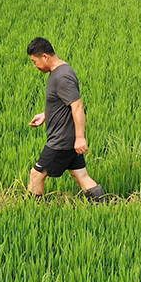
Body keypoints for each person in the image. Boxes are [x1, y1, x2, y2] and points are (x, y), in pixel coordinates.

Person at [26, 37, 107, 203]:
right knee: (80, 175)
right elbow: (64, 104)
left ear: (45, 57)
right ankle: (105, 207)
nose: (34, 66)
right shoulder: (61, 70)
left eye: (35, 61)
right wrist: (46, 114)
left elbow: (77, 106)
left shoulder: (62, 77)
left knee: (36, 175)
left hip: (62, 140)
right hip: (67, 138)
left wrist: (80, 138)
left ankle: (31, 213)